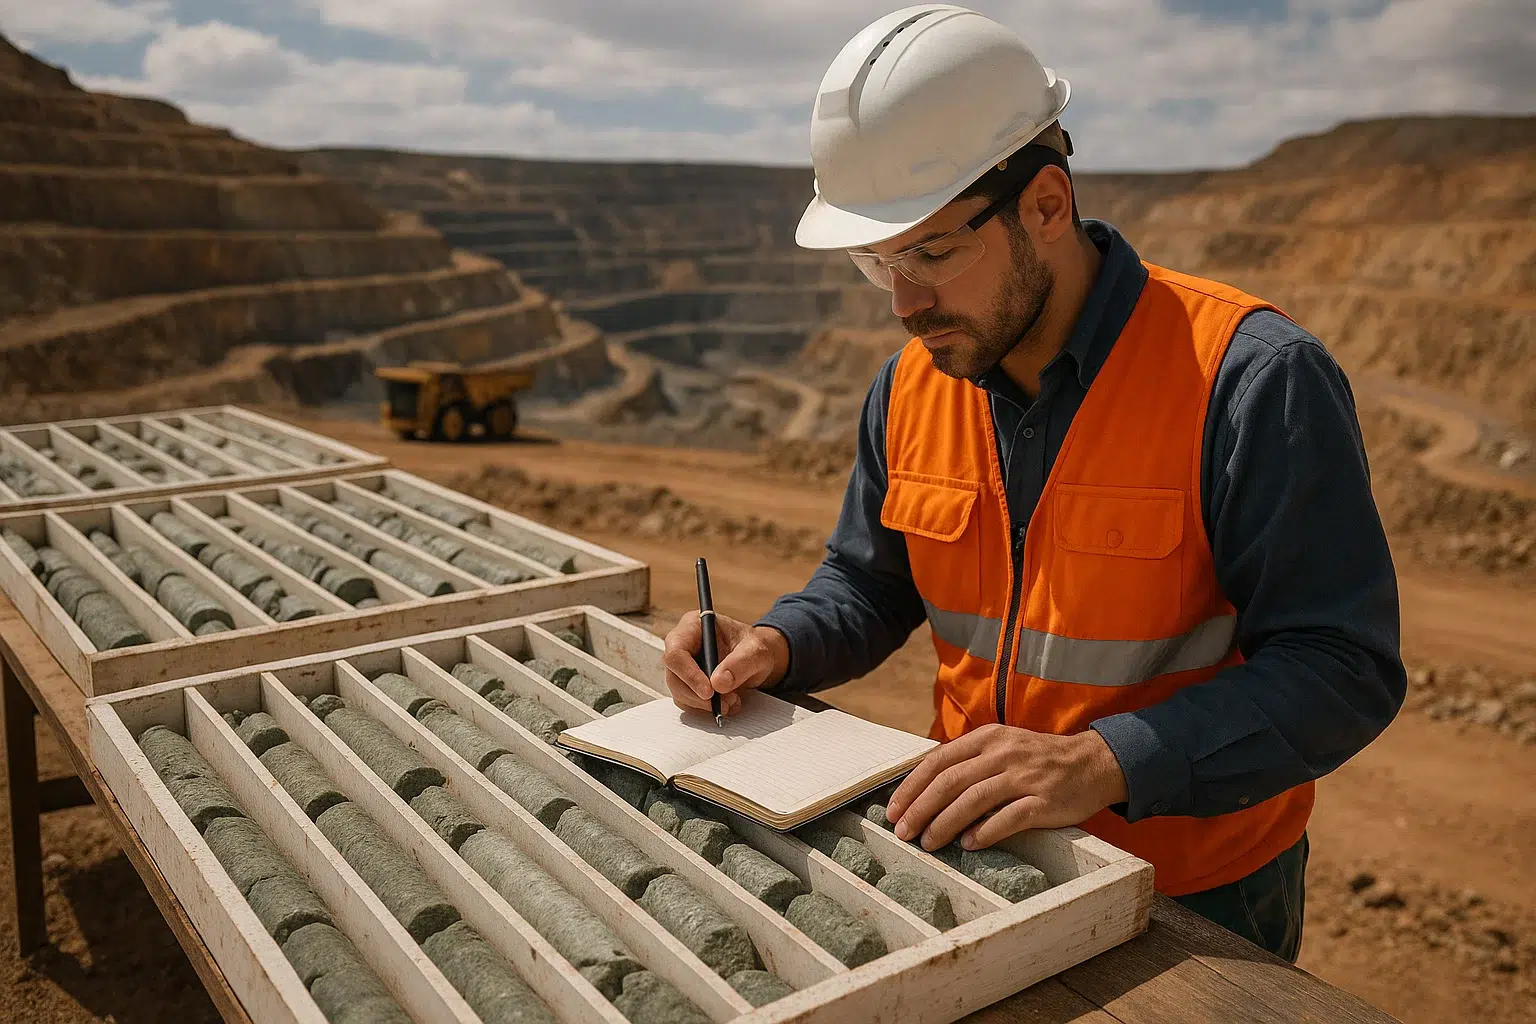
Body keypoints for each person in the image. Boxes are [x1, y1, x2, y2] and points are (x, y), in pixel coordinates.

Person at [661, 5, 1405, 963]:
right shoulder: (914, 382)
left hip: (1199, 904)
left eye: (931, 253)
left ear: (1047, 206)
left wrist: (1100, 764)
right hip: (980, 866)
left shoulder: (1248, 376)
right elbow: (871, 581)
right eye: (877, 260)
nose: (903, 302)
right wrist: (772, 642)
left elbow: (1342, 668)